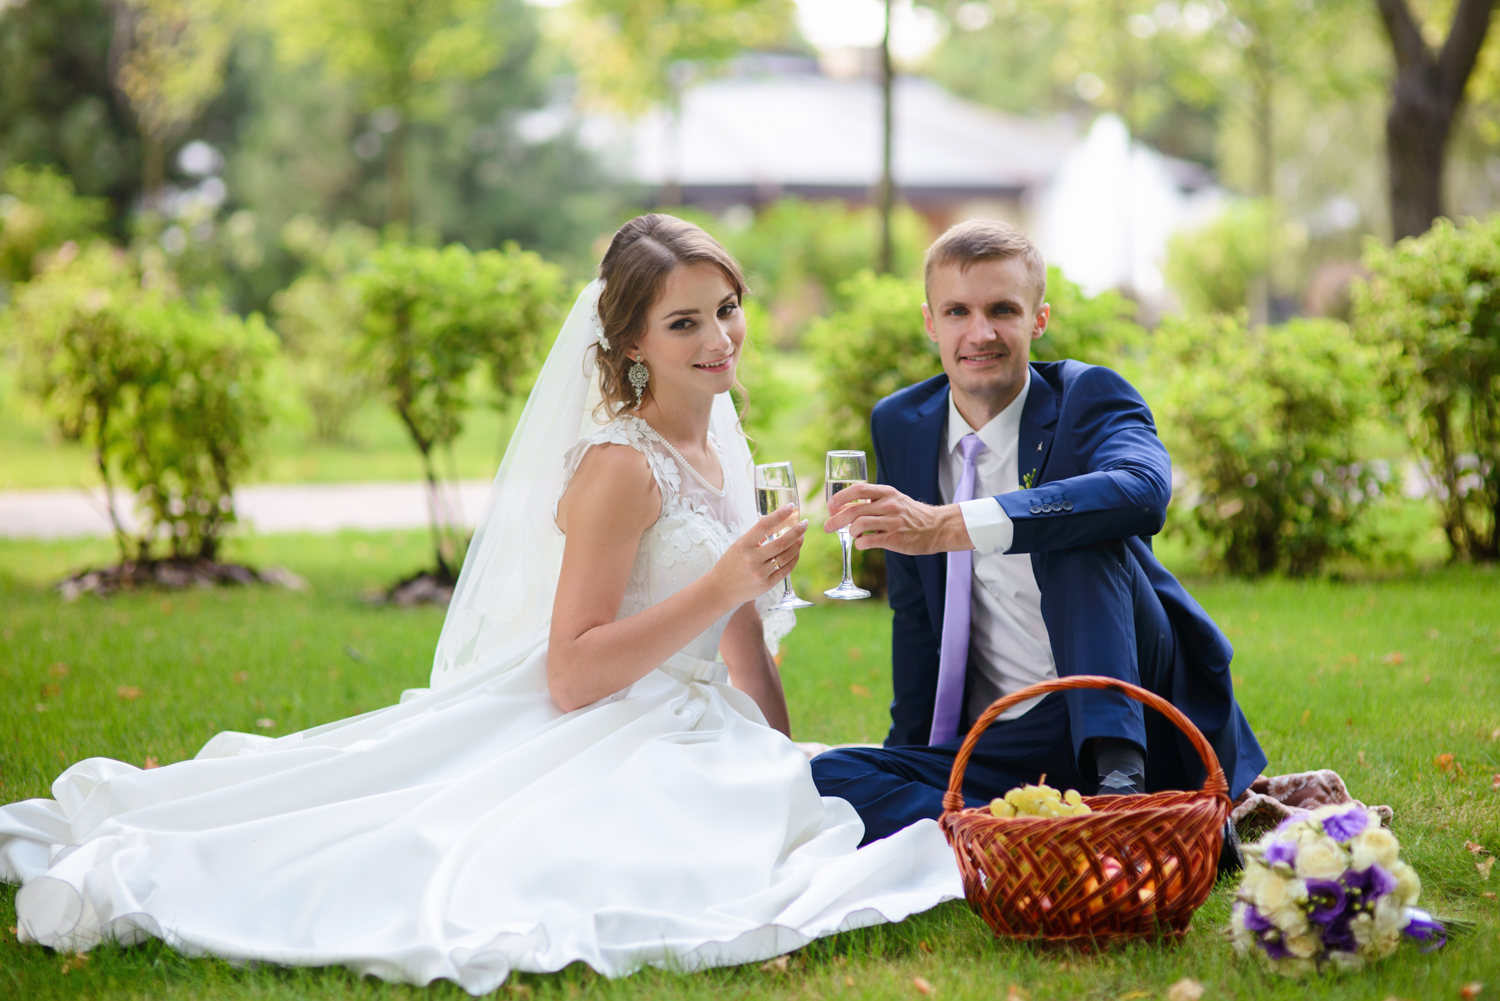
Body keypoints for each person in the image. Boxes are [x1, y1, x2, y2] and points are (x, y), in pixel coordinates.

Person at [0, 215, 960, 994]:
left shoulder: (724, 446)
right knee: (495, 855)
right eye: (685, 323)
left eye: (728, 310)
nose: (720, 340)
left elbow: (744, 640)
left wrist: (779, 754)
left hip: (697, 721)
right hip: (606, 718)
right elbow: (574, 672)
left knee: (795, 820)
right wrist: (722, 583)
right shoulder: (623, 467)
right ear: (629, 341)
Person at [809, 220, 1266, 857]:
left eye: (1003, 310)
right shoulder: (901, 422)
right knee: (824, 780)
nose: (981, 333)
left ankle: (1121, 797)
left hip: (1132, 706)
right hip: (1001, 738)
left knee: (1074, 524)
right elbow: (917, 611)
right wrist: (912, 753)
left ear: (1039, 319)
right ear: (929, 323)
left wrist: (952, 524)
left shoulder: (1088, 396)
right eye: (957, 312)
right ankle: (1045, 834)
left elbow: (1141, 489)